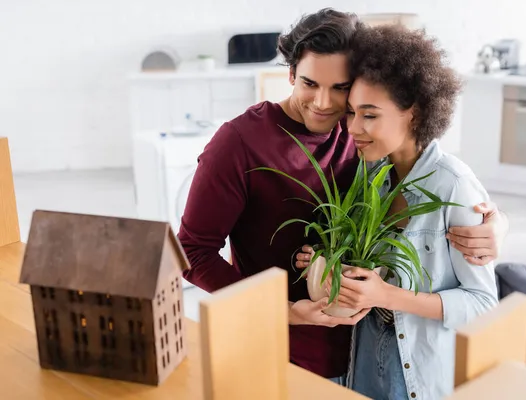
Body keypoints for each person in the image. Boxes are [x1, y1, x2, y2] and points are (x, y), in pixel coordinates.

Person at [177, 8, 507, 383]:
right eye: (309, 84)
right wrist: (284, 310)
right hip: (279, 350)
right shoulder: (239, 143)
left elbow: (430, 181)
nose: (323, 103)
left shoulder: (360, 137)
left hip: (364, 356)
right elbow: (191, 251)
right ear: (289, 74)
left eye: (340, 89)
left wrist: (495, 223)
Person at [295, 24, 499, 399]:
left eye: (369, 115)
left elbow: (483, 304)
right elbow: (358, 257)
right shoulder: (370, 171)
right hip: (364, 358)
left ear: (415, 114)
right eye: (353, 112)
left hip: (417, 373)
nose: (352, 127)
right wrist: (322, 260)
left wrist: (386, 295)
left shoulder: (453, 186)